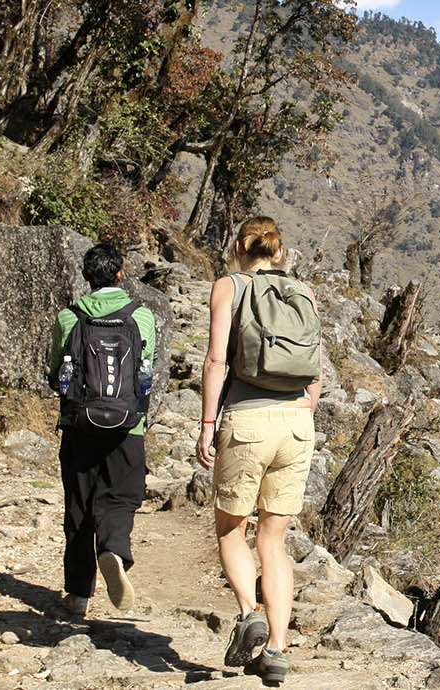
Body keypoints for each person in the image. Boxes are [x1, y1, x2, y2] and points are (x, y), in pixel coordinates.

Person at [196, 217, 323, 684]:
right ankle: (277, 649)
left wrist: (208, 425)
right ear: (280, 251)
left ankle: (249, 611)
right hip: (296, 425)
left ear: (237, 247)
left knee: (231, 529)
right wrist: (299, 411)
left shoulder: (228, 286)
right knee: (274, 541)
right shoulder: (303, 293)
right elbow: (317, 374)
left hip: (246, 419)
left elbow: (215, 360)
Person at [48, 243, 157, 618]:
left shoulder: (68, 318)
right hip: (128, 426)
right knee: (121, 497)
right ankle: (112, 548)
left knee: (78, 506)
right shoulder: (141, 317)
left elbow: (55, 372)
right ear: (120, 274)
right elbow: (146, 371)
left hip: (78, 424)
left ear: (85, 275)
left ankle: (78, 595)